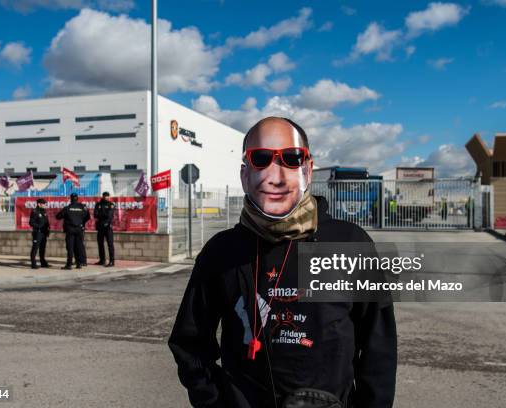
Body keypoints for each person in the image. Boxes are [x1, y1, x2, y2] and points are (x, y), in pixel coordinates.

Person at [169, 117, 397, 408]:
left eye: (292, 159)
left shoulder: (350, 244)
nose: (276, 176)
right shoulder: (221, 252)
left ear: (308, 170)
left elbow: (379, 348)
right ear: (244, 175)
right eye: (261, 159)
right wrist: (216, 402)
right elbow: (190, 344)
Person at [56, 193, 90, 270]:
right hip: (79, 229)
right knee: (78, 247)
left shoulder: (67, 208)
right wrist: (81, 222)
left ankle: (69, 264)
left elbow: (58, 216)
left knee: (70, 248)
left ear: (70, 199)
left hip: (70, 230)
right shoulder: (82, 207)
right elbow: (87, 217)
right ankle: (79, 264)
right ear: (77, 199)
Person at [94, 191, 115, 267]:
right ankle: (102, 260)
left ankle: (112, 261)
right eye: (105, 196)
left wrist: (101, 214)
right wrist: (103, 214)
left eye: (108, 196)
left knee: (110, 244)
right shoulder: (98, 204)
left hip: (108, 227)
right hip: (100, 227)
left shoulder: (111, 204)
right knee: (100, 244)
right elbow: (95, 215)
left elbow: (109, 215)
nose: (106, 197)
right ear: (103, 196)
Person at [29, 198, 50, 269]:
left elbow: (46, 222)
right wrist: (38, 227)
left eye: (45, 204)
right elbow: (31, 222)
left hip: (44, 233)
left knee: (42, 248)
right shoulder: (35, 211)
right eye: (43, 204)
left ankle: (43, 262)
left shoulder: (44, 212)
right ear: (39, 204)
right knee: (35, 248)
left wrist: (48, 229)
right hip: (37, 233)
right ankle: (33, 263)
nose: (44, 205)